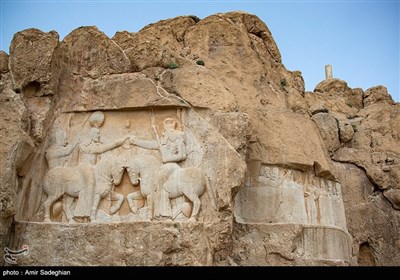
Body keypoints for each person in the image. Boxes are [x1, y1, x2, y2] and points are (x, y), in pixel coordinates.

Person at [73, 112, 129, 222]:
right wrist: (118, 143)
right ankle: (82, 213)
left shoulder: (95, 144)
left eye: (99, 135)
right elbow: (102, 149)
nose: (99, 136)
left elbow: (103, 152)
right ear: (91, 135)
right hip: (84, 168)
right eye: (97, 135)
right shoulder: (86, 146)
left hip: (93, 168)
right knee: (90, 183)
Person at [132, 117, 186, 220]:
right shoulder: (163, 142)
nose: (164, 133)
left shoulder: (178, 138)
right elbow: (150, 145)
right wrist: (136, 142)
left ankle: (164, 213)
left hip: (172, 166)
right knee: (156, 180)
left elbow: (182, 155)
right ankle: (158, 212)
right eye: (164, 130)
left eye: (166, 130)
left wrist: (168, 158)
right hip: (165, 166)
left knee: (158, 179)